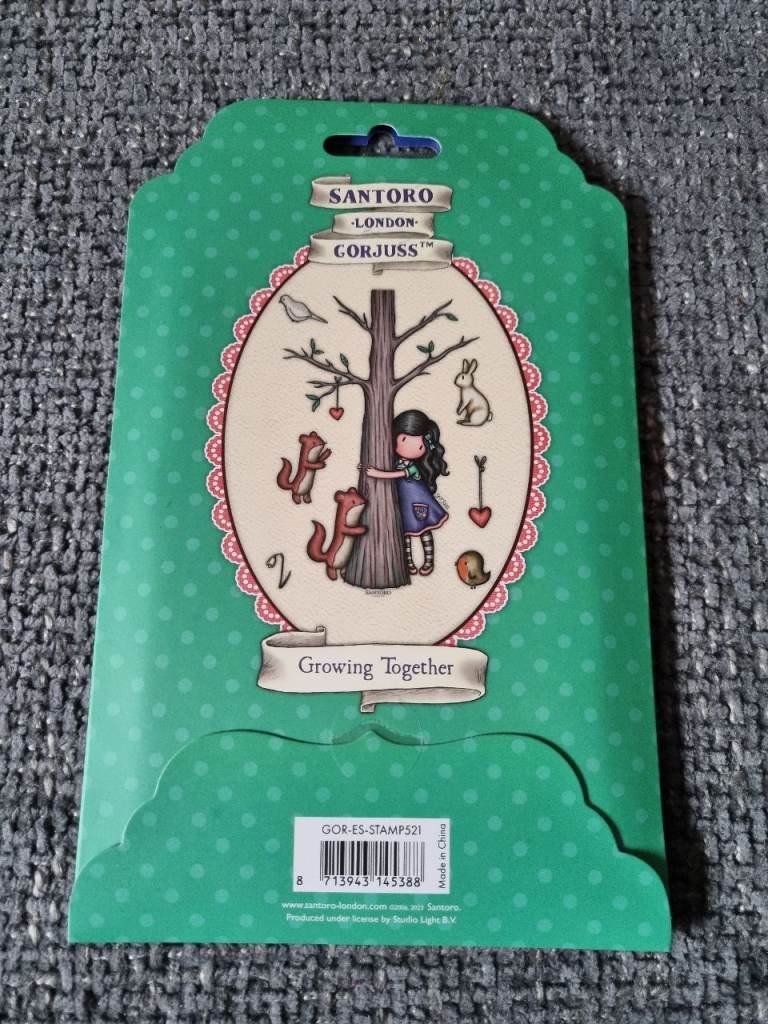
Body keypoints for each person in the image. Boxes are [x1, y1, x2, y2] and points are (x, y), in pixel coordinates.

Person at [365, 409, 449, 576]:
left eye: (420, 446)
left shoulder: (412, 467)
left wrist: (377, 473)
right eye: (404, 439)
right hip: (402, 503)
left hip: (418, 502)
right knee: (404, 534)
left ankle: (429, 561)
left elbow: (397, 475)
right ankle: (408, 562)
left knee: (424, 530)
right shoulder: (394, 461)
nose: (410, 448)